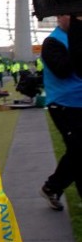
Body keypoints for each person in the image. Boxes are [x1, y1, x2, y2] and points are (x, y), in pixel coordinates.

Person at [39, 15, 82, 211]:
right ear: (60, 17)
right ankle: (53, 186)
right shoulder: (52, 42)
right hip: (63, 104)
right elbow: (62, 70)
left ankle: (53, 187)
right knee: (78, 150)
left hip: (78, 103)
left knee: (77, 151)